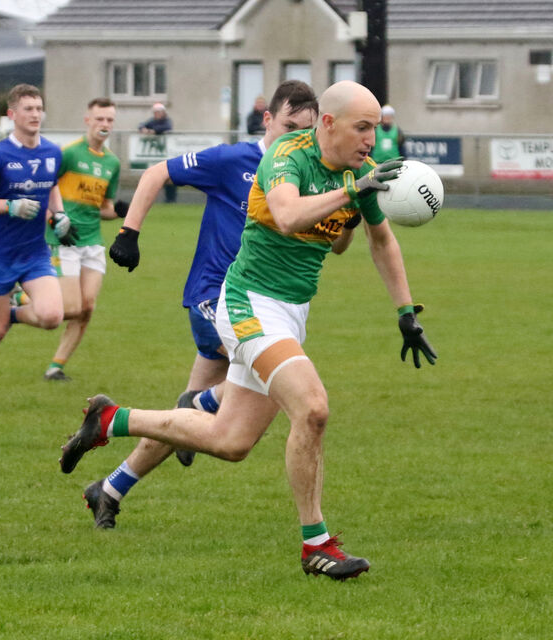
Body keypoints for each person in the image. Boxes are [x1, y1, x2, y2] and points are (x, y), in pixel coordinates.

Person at [60, 81, 437, 581]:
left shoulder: (361, 173)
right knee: (314, 408)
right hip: (247, 303)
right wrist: (352, 190)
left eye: (375, 127)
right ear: (328, 123)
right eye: (362, 127)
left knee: (231, 440)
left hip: (290, 312)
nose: (372, 138)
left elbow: (381, 241)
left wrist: (405, 311)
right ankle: (316, 546)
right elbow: (285, 214)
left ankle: (111, 420)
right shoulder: (287, 154)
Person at [89, 81, 361, 530]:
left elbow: (335, 244)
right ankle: (203, 399)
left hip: (264, 300)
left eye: (306, 131)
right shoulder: (233, 160)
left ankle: (112, 487)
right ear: (267, 119)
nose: (296, 137)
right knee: (223, 400)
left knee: (191, 423)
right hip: (216, 296)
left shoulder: (307, 173)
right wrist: (128, 233)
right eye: (289, 125)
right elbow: (157, 173)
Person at [0, 83, 77, 408]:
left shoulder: (52, 152)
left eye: (39, 108)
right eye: (28, 109)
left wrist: (59, 215)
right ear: (12, 115)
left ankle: (10, 314)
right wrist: (8, 206)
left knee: (53, 316)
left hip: (35, 253)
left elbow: (51, 187)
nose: (35, 114)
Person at [42, 97, 128, 382]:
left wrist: (119, 212)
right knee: (72, 308)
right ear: (87, 120)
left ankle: (56, 366)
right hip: (64, 238)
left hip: (92, 241)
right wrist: (55, 219)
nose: (105, 124)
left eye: (110, 120)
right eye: (100, 119)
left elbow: (103, 208)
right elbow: (45, 192)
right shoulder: (68, 154)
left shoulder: (113, 163)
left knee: (87, 307)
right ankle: (20, 299)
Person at [138, 103, 177, 202]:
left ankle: (171, 198)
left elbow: (167, 127)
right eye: (155, 113)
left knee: (170, 176)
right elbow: (141, 125)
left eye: (158, 112)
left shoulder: (167, 121)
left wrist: (154, 131)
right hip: (159, 154)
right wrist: (143, 129)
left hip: (168, 153)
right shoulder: (153, 121)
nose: (156, 115)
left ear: (163, 112)